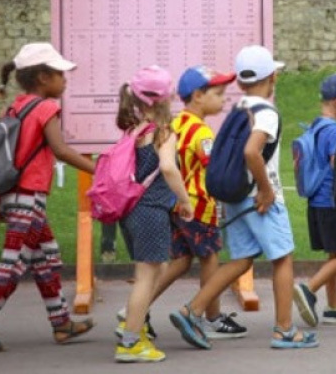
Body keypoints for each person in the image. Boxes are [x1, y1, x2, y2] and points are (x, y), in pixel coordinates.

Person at [169, 45, 318, 350]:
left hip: (234, 196)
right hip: (260, 198)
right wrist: (265, 190)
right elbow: (252, 152)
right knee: (282, 258)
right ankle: (284, 330)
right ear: (272, 77)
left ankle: (192, 311)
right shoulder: (266, 112)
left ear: (239, 81)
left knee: (241, 260)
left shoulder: (238, 109)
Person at [0, 42, 97, 352]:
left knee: (47, 258)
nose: (65, 80)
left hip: (14, 196)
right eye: (60, 75)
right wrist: (100, 170)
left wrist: (0, 202)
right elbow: (60, 150)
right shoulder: (45, 108)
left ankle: (61, 323)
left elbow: (7, 157)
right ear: (42, 77)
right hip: (28, 197)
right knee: (12, 264)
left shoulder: (14, 107)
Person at [115, 65, 247, 340]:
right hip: (198, 205)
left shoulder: (175, 124)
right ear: (197, 96)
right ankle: (211, 317)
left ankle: (134, 309)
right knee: (210, 257)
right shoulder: (202, 133)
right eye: (218, 94)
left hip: (172, 203)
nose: (223, 99)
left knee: (182, 260)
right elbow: (213, 170)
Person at [114, 65, 195, 362]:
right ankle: (131, 342)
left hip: (130, 211)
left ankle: (135, 328)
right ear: (165, 98)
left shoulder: (133, 130)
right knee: (146, 278)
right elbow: (169, 168)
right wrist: (184, 200)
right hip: (151, 211)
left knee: (155, 270)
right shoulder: (163, 132)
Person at [293, 74, 336, 326]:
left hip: (316, 202)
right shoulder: (335, 130)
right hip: (333, 202)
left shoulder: (316, 125)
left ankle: (334, 306)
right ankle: (308, 289)